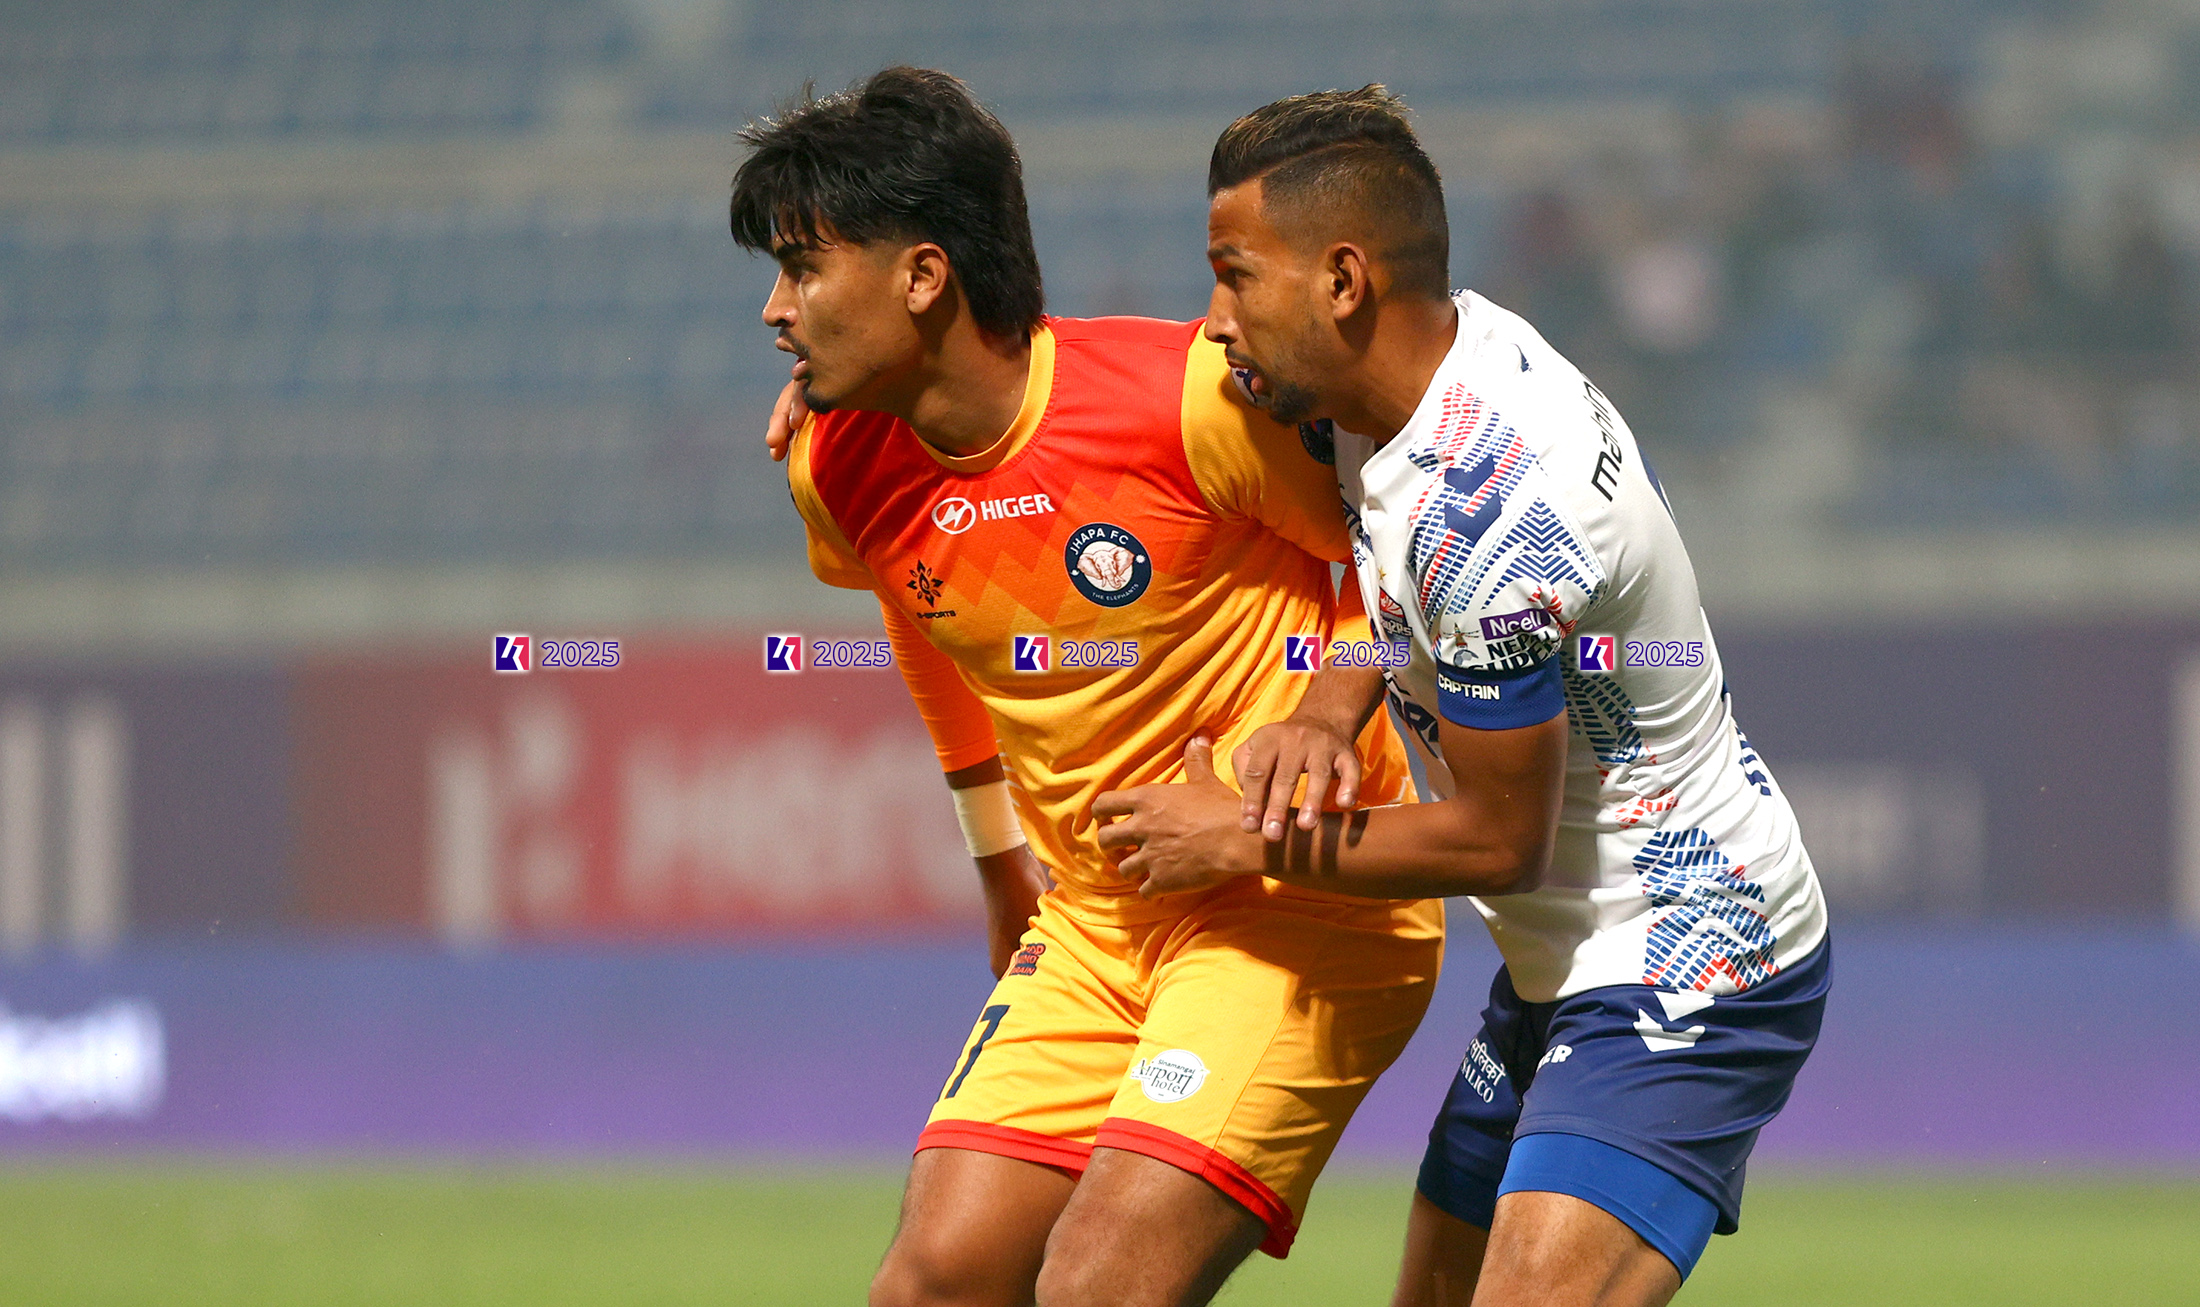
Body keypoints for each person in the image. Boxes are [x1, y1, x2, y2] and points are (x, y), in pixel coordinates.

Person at [1096, 86, 1831, 1307]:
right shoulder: (1414, 372)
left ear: (1343, 281)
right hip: (1558, 963)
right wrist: (1326, 708)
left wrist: (1237, 837)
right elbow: (1388, 578)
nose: (1214, 320)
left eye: (1234, 278)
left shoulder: (1495, 514)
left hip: (1694, 954)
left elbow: (1497, 839)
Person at [734, 68, 1444, 1307]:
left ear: (922, 275)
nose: (774, 310)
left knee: (1099, 1284)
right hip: (1099, 919)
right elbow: (923, 617)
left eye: (802, 268)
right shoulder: (836, 465)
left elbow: (1400, 552)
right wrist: (994, 854)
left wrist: (1322, 713)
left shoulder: (1190, 404)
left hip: (1295, 900)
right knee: (932, 1283)